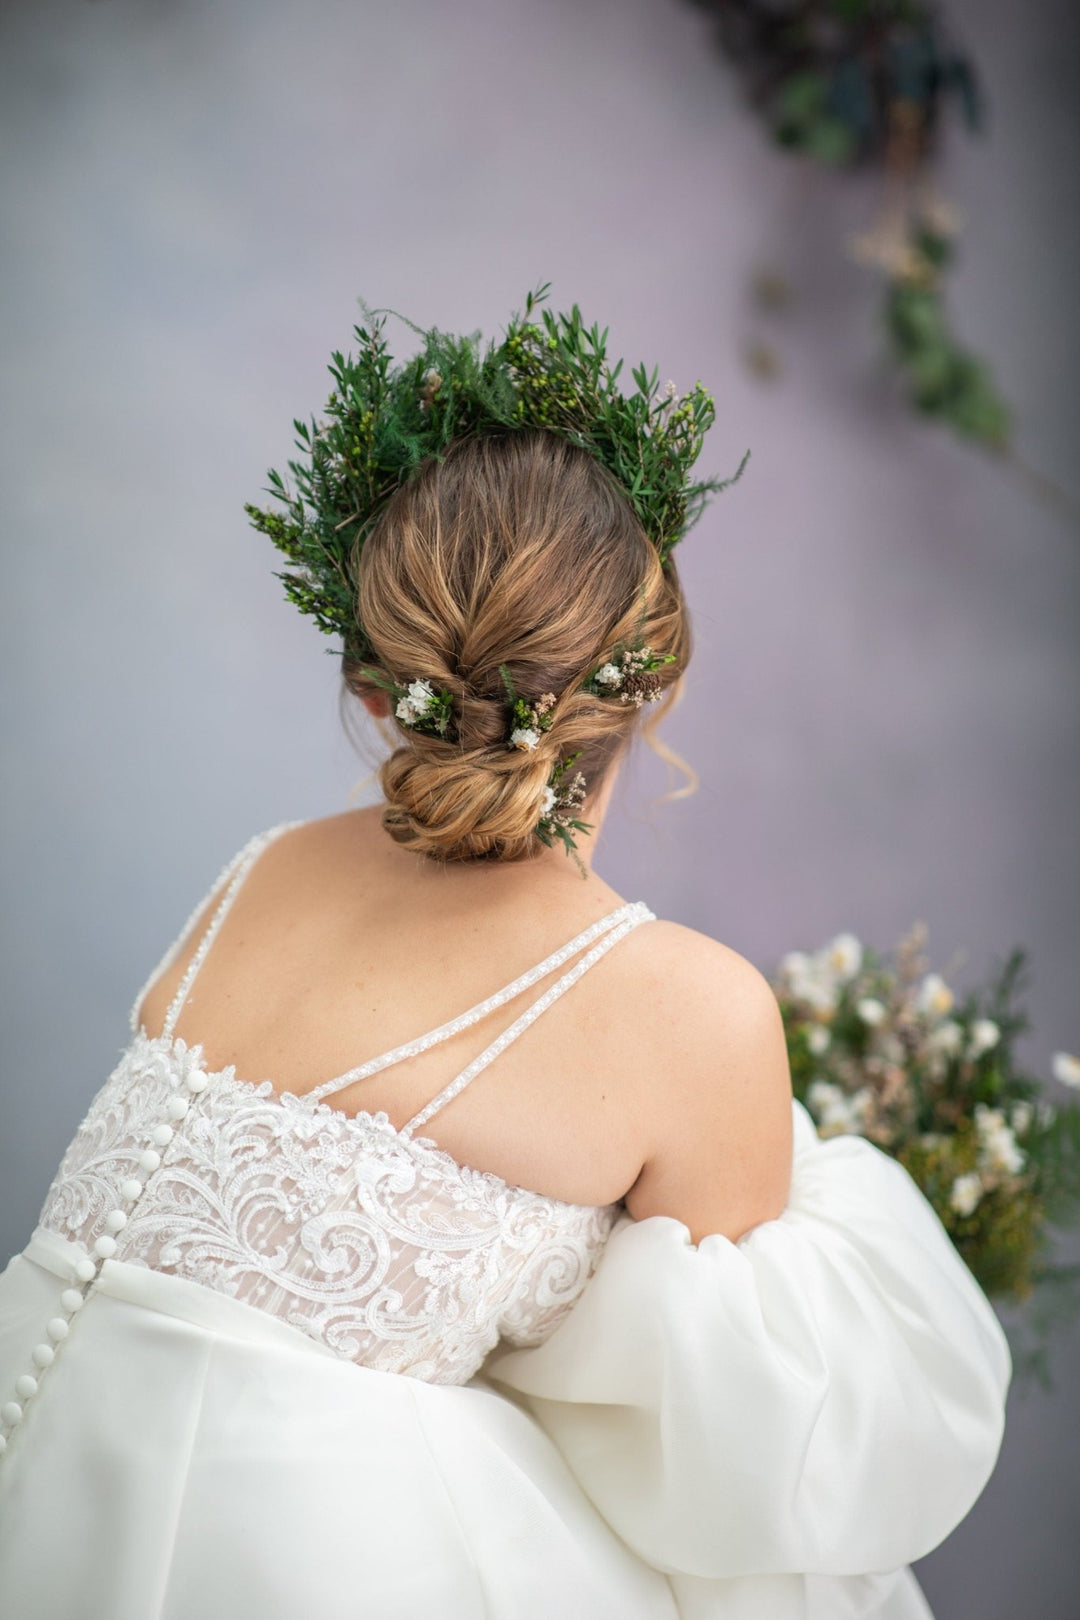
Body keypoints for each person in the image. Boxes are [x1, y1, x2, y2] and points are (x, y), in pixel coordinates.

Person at [0, 296, 1010, 1620]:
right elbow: (745, 1477)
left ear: (380, 683)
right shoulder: (688, 1011)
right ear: (654, 682)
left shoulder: (265, 868)